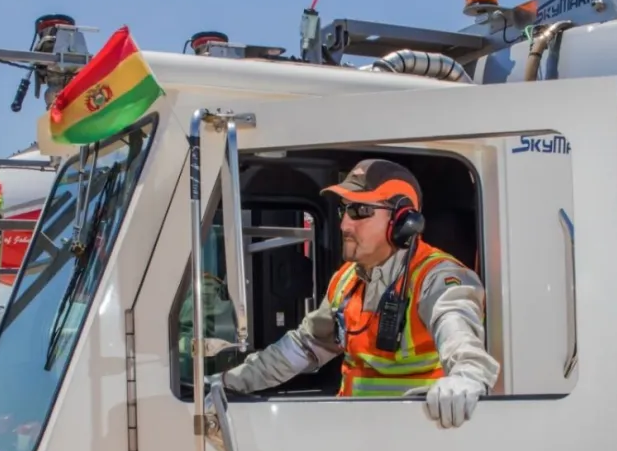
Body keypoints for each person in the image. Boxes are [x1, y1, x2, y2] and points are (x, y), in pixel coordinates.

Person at [212, 158, 500, 429]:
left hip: (415, 443)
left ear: (402, 223)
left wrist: (466, 377)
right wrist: (227, 381)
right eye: (344, 209)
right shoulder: (346, 280)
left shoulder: (437, 278)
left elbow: (459, 333)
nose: (344, 225)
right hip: (354, 439)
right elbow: (302, 348)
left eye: (360, 211)